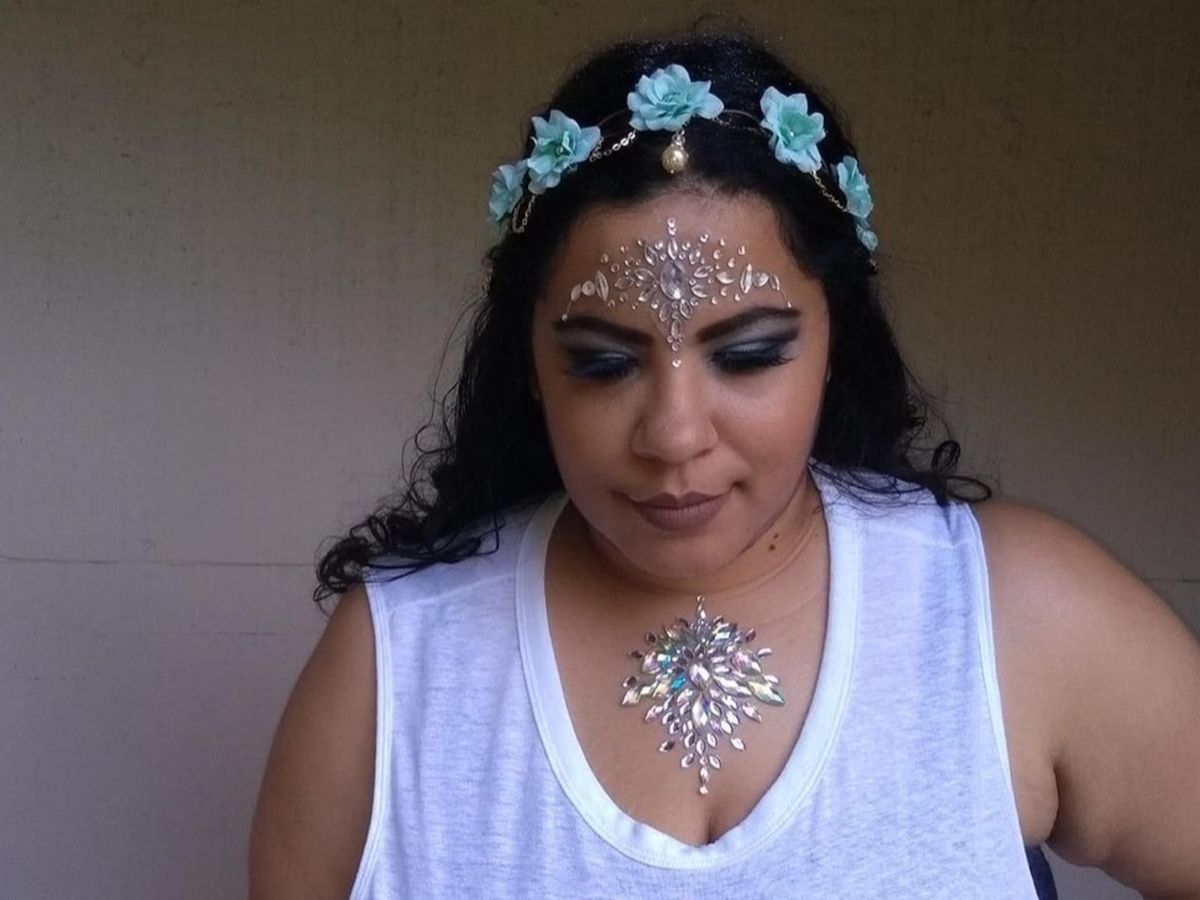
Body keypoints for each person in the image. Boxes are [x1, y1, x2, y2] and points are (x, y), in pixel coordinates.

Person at [248, 31, 1200, 899]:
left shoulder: (1012, 613)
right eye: (602, 364)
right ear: (530, 363)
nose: (674, 435)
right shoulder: (394, 668)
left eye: (747, 356)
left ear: (834, 342)